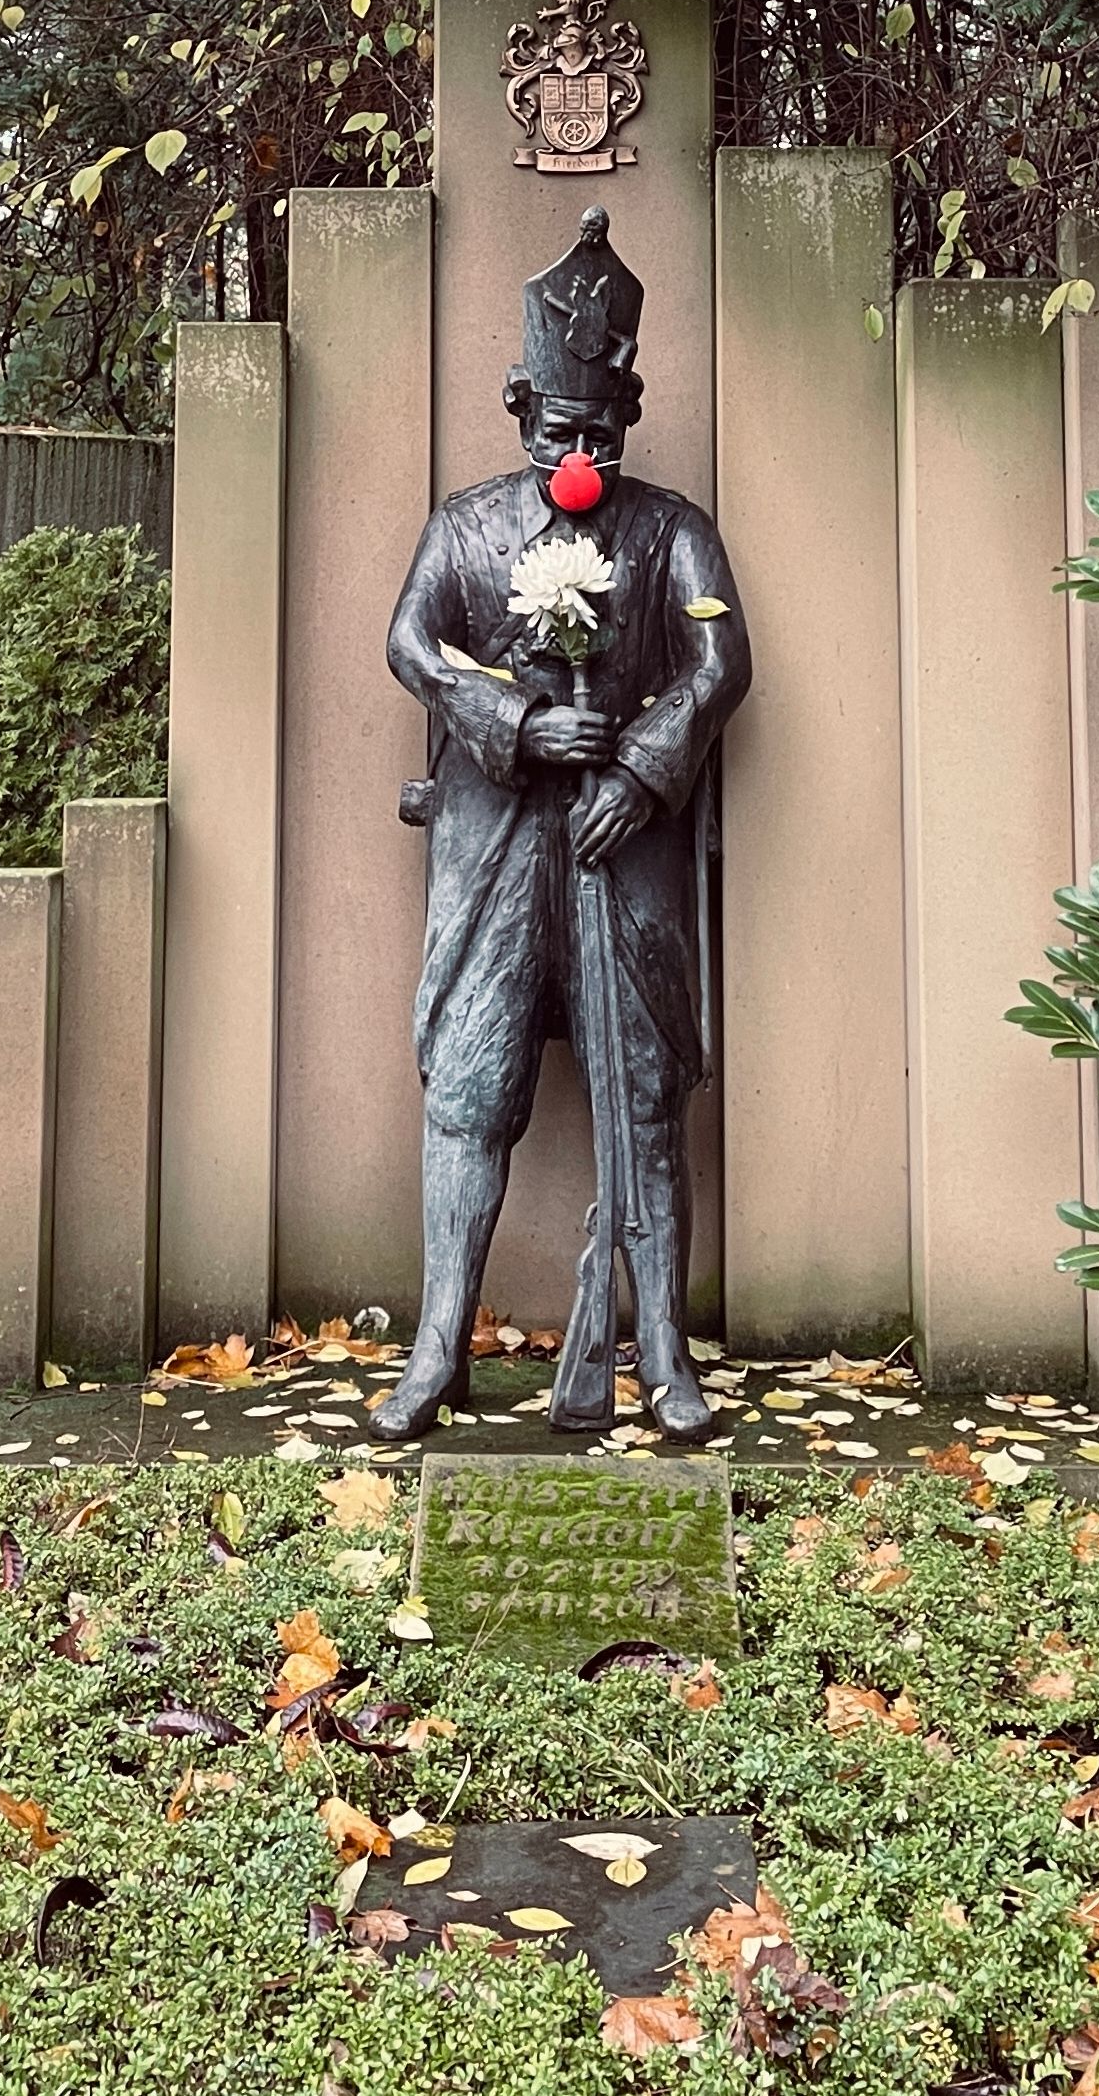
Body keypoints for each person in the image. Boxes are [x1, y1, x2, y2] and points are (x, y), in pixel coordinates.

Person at [370, 207, 751, 1443]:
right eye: (553, 429)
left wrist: (641, 765)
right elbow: (409, 642)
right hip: (492, 851)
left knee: (643, 1101)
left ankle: (659, 1348)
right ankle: (439, 1346)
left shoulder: (668, 530)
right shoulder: (466, 526)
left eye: (596, 429)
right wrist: (513, 720)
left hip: (615, 848)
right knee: (470, 1094)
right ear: (518, 408)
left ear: (625, 419)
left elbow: (717, 659)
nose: (574, 451)